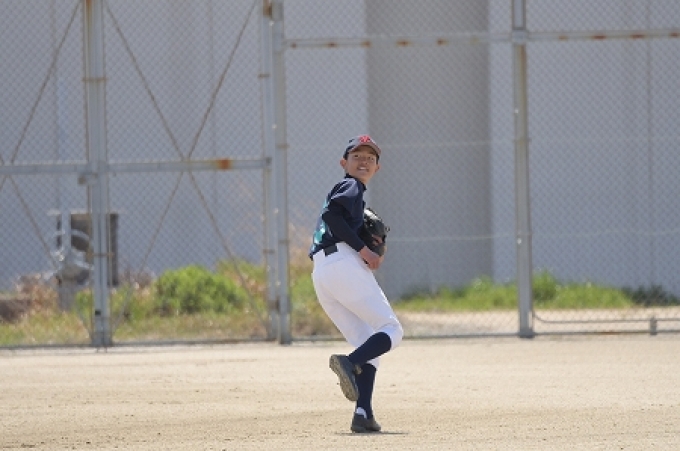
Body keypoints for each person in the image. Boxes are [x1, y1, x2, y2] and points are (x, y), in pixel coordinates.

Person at [308, 135, 404, 433]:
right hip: (343, 263)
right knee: (392, 330)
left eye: (370, 158)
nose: (364, 161)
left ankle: (363, 414)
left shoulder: (348, 191)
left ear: (377, 167)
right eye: (357, 156)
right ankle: (349, 363)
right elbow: (332, 215)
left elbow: (335, 217)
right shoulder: (351, 186)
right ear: (344, 163)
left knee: (369, 344)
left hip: (323, 272)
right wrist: (364, 249)